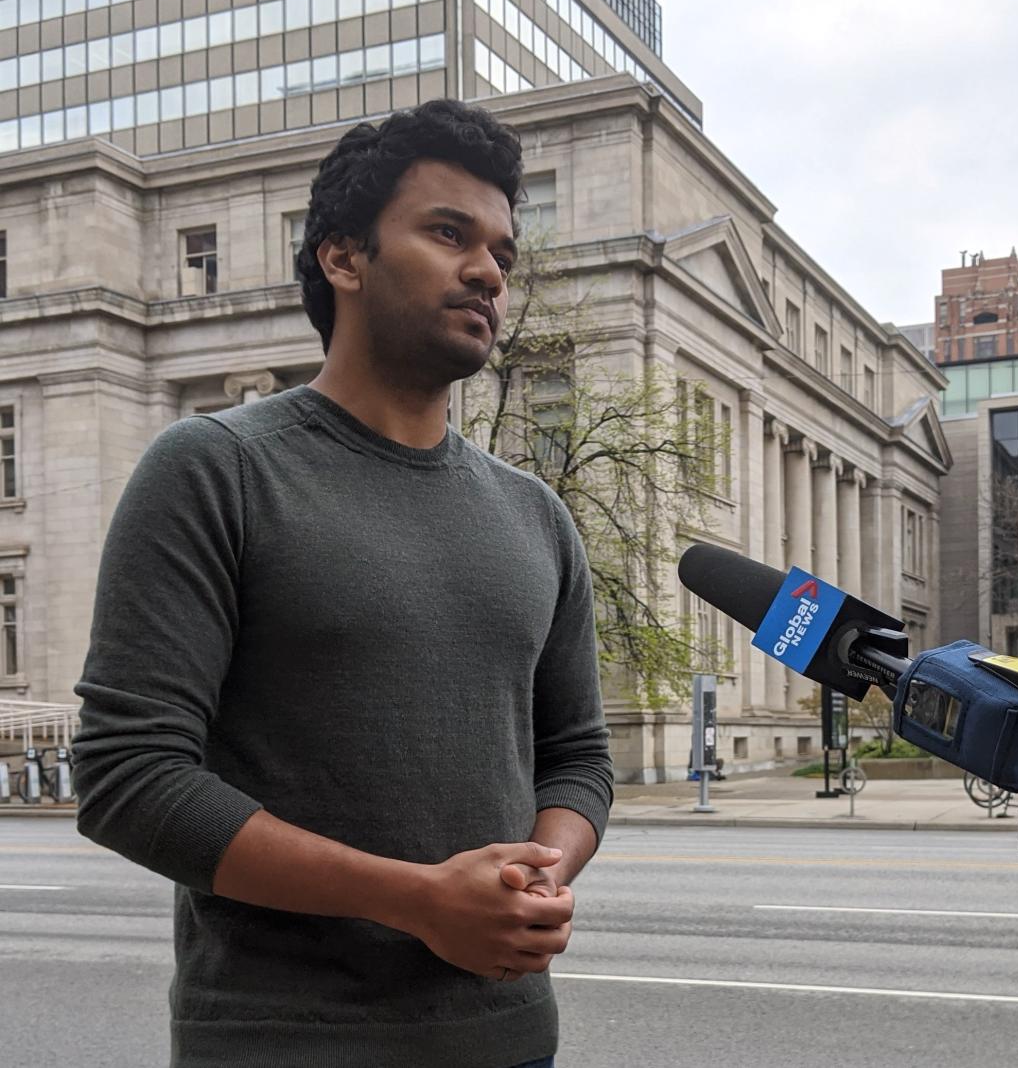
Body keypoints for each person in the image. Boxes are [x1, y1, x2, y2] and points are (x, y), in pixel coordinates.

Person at [72, 98, 614, 1068]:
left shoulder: (537, 515)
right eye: (448, 232)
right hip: (282, 1041)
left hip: (508, 1035)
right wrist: (415, 897)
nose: (487, 269)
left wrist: (537, 872)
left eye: (502, 249)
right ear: (343, 257)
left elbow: (575, 753)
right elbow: (128, 775)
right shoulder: (213, 468)